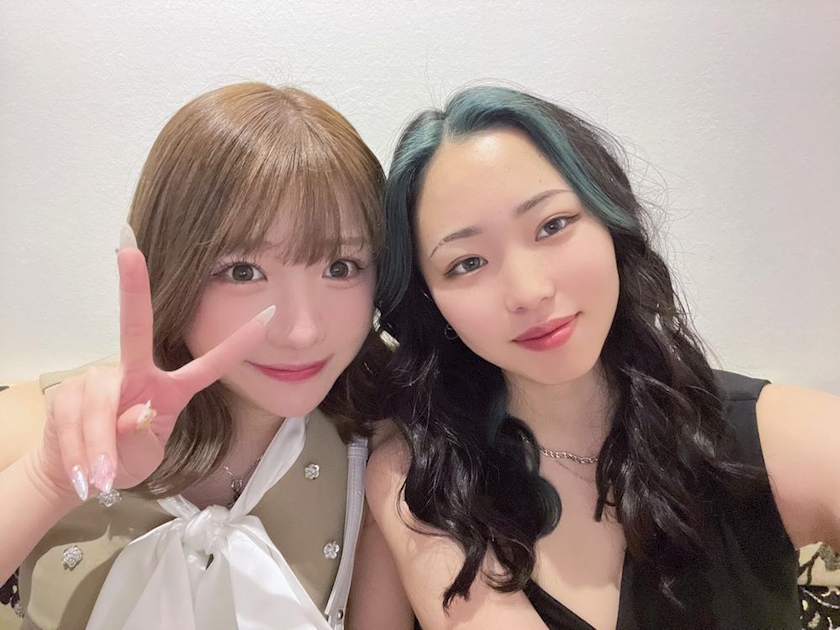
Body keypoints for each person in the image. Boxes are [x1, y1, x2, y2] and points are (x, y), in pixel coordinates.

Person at [359, 85, 840, 629]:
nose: (528, 291)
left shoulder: (763, 436)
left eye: (552, 225)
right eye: (467, 263)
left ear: (611, 223)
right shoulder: (422, 480)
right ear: (431, 300)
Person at [0, 82, 407, 630]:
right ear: (170, 264)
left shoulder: (377, 447)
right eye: (243, 271)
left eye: (341, 267)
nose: (302, 331)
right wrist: (47, 481)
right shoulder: (40, 424)